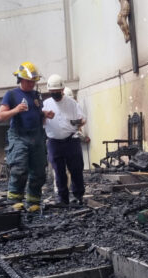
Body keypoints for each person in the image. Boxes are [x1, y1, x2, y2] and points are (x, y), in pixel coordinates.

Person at [0, 62, 54, 211]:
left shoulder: (36, 95)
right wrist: (15, 110)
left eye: (34, 81)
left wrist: (44, 114)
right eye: (29, 81)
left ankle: (33, 202)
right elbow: (1, 116)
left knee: (39, 170)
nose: (32, 84)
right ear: (20, 79)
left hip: (37, 135)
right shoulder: (11, 95)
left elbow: (36, 112)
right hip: (18, 135)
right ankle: (14, 201)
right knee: (19, 168)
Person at [43, 74, 86, 205]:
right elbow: (40, 121)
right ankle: (63, 199)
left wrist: (77, 123)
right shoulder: (46, 104)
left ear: (62, 90)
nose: (55, 93)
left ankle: (78, 196)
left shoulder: (72, 104)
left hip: (71, 140)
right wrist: (43, 116)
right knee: (59, 171)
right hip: (54, 142)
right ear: (49, 91)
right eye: (53, 92)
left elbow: (83, 119)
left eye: (58, 91)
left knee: (76, 169)